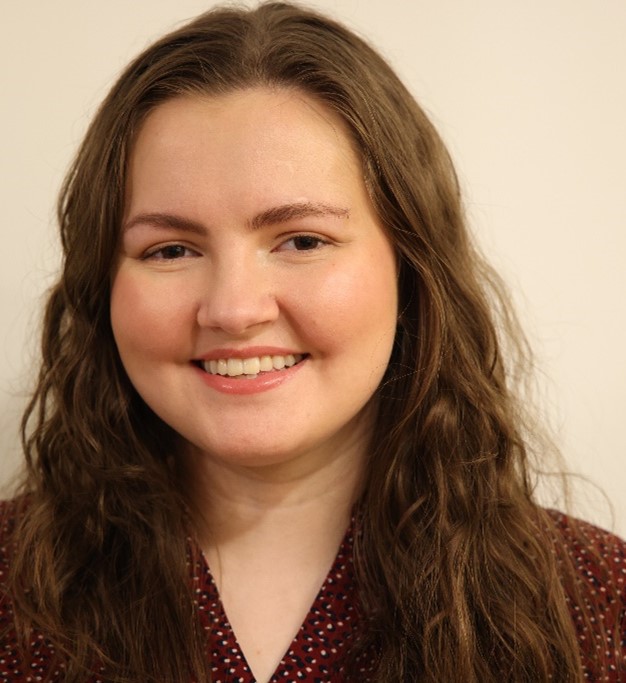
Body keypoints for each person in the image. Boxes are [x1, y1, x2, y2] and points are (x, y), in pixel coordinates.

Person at [0, 2, 624, 681]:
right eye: (171, 249)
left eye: (302, 240)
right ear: (103, 283)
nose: (235, 309)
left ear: (411, 270)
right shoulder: (10, 584)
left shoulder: (595, 600)